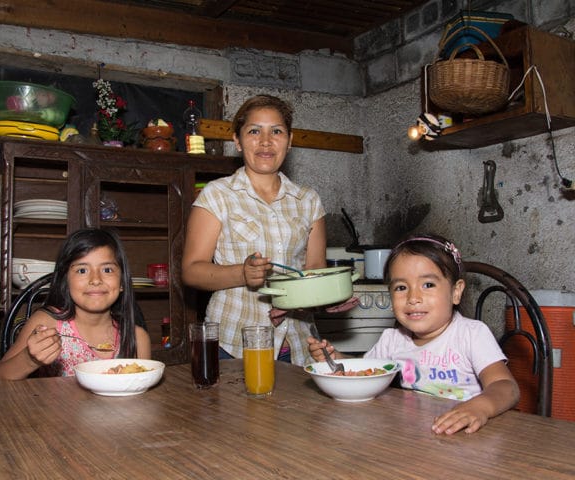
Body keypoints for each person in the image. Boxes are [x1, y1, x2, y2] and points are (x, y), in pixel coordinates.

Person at [308, 233, 520, 435]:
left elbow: (506, 387)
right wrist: (336, 359)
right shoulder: (392, 340)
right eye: (401, 287)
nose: (413, 297)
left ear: (456, 292)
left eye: (428, 285)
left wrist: (480, 408)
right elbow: (365, 372)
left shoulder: (471, 334)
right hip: (412, 438)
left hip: (463, 437)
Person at [181, 94, 328, 366]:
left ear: (290, 140)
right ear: (237, 141)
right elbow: (192, 270)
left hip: (296, 344)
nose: (266, 141)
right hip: (233, 343)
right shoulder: (217, 195)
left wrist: (329, 296)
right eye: (253, 131)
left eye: (276, 131)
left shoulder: (308, 201)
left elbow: (314, 272)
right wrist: (242, 273)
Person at [0, 228, 151, 380]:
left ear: (122, 282)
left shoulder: (137, 338)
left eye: (107, 270)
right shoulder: (47, 324)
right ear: (65, 281)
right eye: (82, 270)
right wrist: (30, 359)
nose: (95, 280)